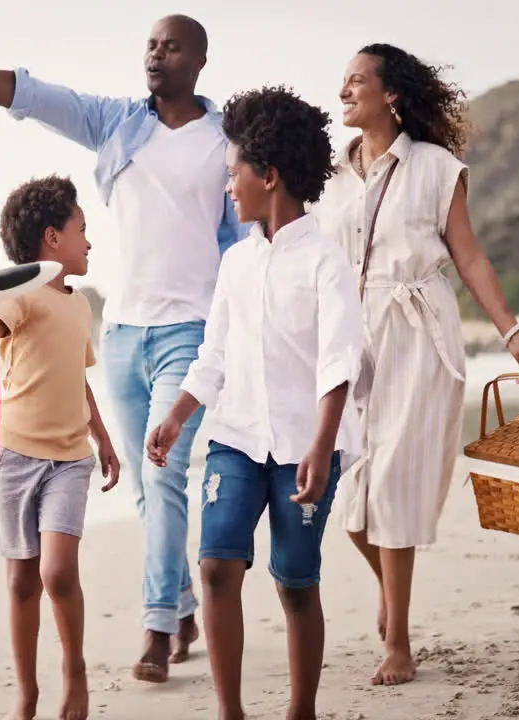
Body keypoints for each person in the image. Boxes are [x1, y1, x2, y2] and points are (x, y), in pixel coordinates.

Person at [0, 13, 248, 681]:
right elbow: (30, 94)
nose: (154, 55)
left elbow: (253, 236)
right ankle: (184, 603)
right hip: (121, 335)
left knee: (165, 475)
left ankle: (157, 625)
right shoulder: (118, 124)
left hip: (189, 334)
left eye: (170, 46)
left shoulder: (227, 141)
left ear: (198, 61)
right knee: (148, 489)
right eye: (150, 44)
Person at [310, 43, 519, 686]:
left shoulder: (436, 167)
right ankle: (390, 592)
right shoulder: (330, 176)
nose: (344, 90)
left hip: (417, 330)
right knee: (350, 491)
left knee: (393, 483)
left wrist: (513, 333)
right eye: (343, 81)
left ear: (390, 94)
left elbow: (468, 257)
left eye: (357, 80)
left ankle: (400, 641)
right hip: (350, 337)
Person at [146, 85, 362, 720]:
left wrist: (322, 448)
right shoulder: (236, 264)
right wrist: (178, 415)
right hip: (235, 439)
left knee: (295, 581)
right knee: (215, 566)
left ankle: (301, 711)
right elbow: (213, 354)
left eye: (233, 173)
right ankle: (230, 712)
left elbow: (339, 359)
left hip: (305, 447)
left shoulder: (325, 262)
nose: (227, 187)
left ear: (269, 176)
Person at [0, 175, 120, 720]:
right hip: (13, 457)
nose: (89, 242)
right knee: (21, 580)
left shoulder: (79, 306)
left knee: (58, 573)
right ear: (52, 238)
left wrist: (101, 437)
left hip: (69, 460)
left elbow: (75, 378)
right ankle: (27, 692)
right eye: (82, 230)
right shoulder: (20, 295)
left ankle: (74, 670)